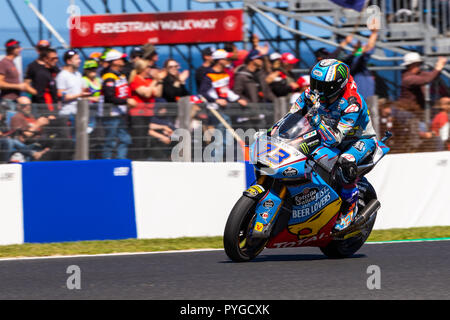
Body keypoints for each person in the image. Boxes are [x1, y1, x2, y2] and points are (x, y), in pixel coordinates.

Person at [290, 59, 377, 231]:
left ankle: (350, 208)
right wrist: (276, 132)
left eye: (323, 85)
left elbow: (334, 139)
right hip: (328, 133)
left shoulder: (352, 103)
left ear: (336, 86)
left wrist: (315, 119)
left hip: (359, 140)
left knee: (345, 161)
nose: (316, 89)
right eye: (315, 83)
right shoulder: (314, 93)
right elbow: (293, 114)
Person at [100, 49, 135, 159]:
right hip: (111, 115)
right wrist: (127, 102)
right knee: (110, 141)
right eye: (120, 59)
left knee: (126, 139)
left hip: (119, 114)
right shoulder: (109, 77)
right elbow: (109, 98)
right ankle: (106, 164)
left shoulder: (121, 75)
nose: (123, 60)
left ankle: (121, 161)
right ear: (114, 61)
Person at [128, 59, 164, 159]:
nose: (150, 69)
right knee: (139, 141)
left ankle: (142, 159)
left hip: (147, 114)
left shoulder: (148, 81)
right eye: (148, 67)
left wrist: (160, 81)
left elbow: (158, 93)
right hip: (138, 114)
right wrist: (155, 81)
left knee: (144, 140)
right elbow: (147, 93)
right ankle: (136, 160)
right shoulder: (135, 80)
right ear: (143, 69)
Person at [0, 39, 36, 111]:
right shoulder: (4, 63)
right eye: (18, 47)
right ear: (12, 50)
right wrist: (18, 86)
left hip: (14, 100)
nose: (21, 49)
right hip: (8, 101)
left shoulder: (11, 63)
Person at [56, 49, 92, 117]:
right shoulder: (62, 76)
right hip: (67, 113)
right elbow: (62, 96)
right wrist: (80, 95)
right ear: (69, 61)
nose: (80, 61)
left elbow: (82, 90)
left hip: (79, 112)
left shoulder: (78, 74)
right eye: (77, 59)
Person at [24, 47, 59, 113]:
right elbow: (40, 96)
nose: (55, 60)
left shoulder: (53, 70)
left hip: (53, 108)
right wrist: (47, 113)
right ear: (46, 59)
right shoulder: (41, 74)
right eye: (53, 58)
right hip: (46, 110)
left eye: (56, 58)